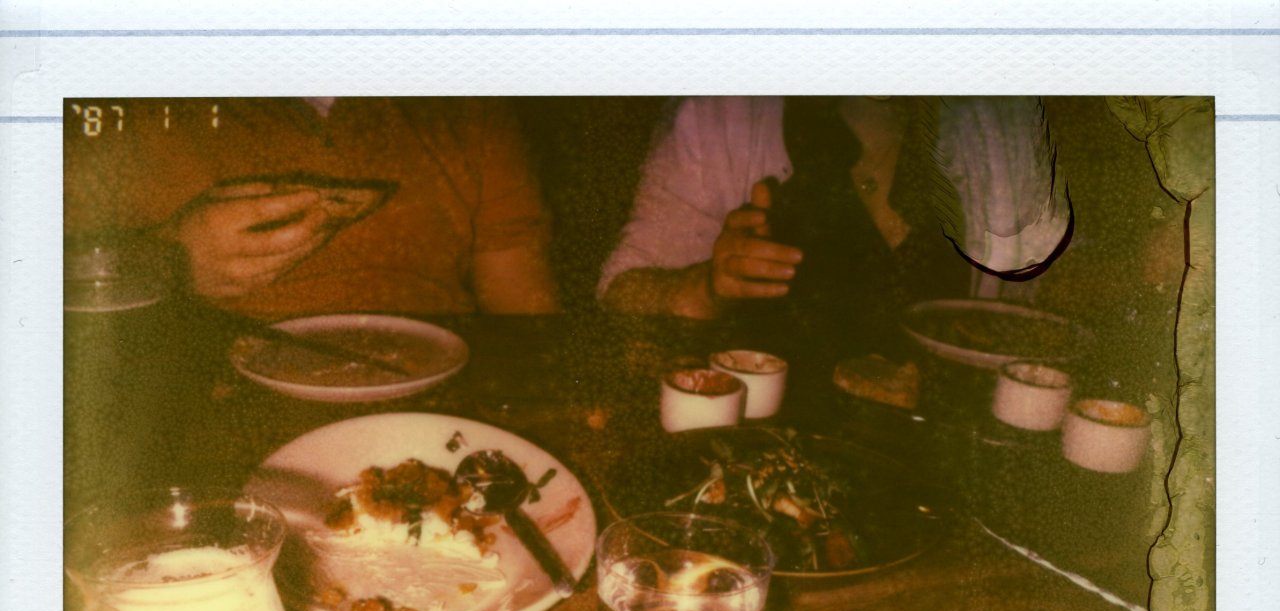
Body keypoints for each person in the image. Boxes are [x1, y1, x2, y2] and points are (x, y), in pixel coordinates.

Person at [598, 96, 1072, 357]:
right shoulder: (726, 112)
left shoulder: (1003, 122)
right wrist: (704, 286)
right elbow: (620, 291)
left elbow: (1047, 295)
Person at [64, 96, 559, 317]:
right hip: (208, 403)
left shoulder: (468, 96)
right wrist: (162, 262)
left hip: (439, 392)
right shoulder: (115, 97)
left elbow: (521, 299)